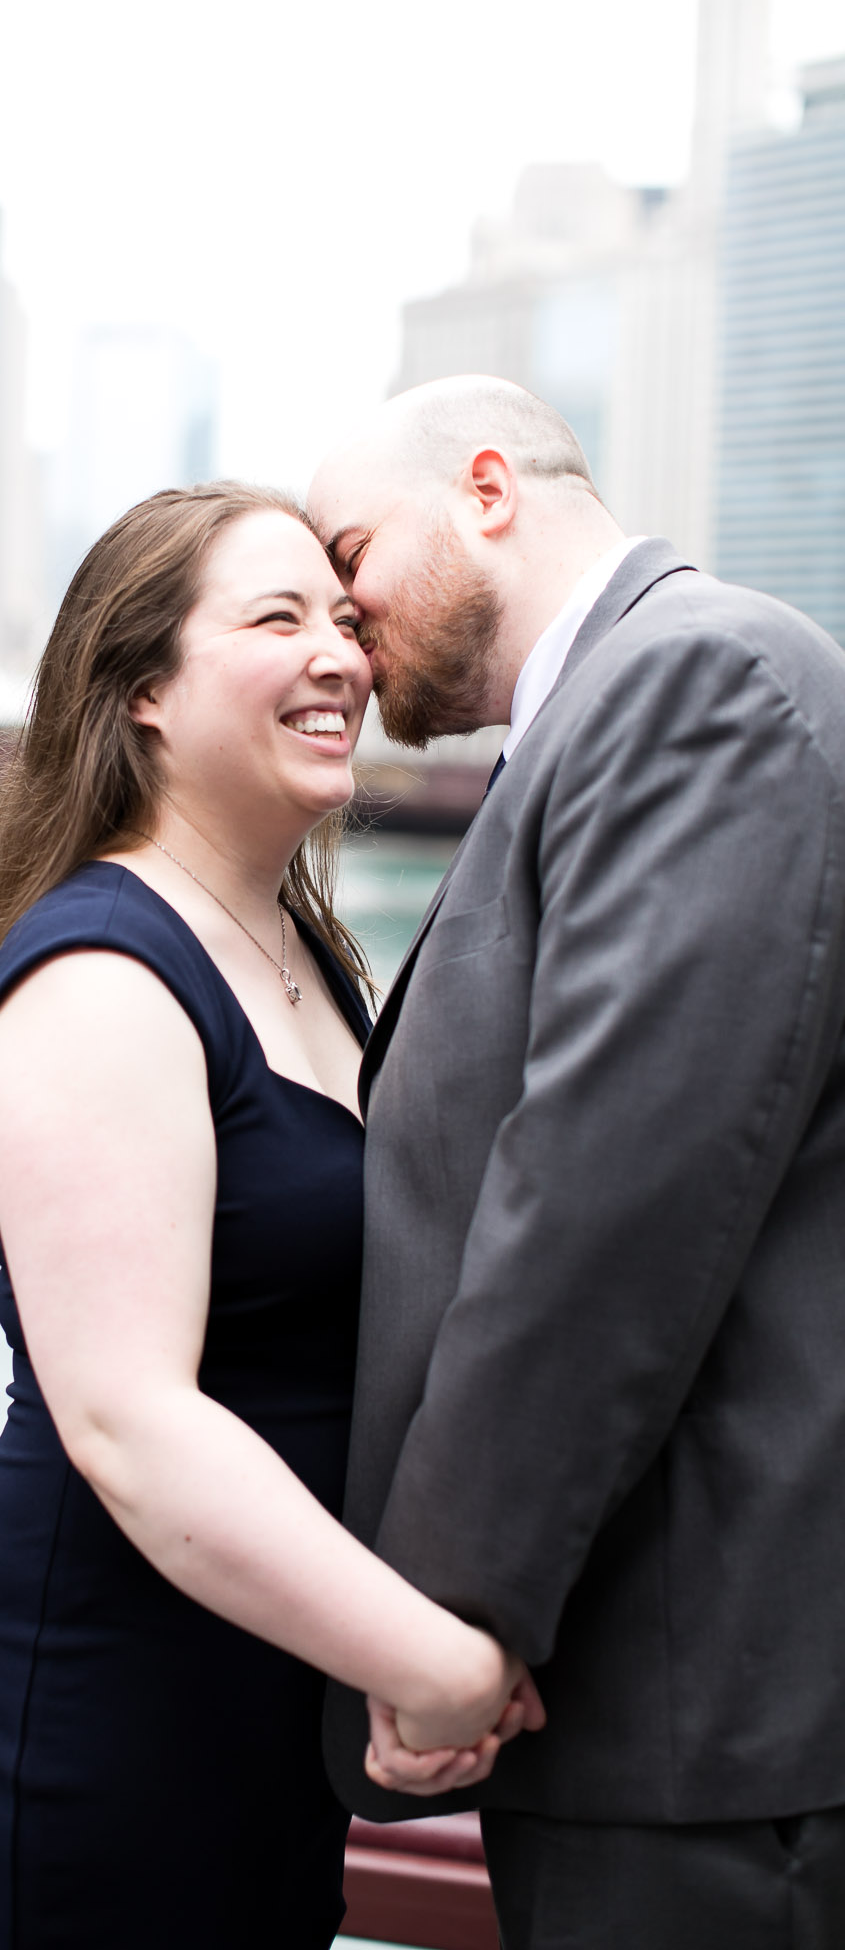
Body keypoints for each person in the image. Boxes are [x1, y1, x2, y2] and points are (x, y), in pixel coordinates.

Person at [0, 481, 538, 1949]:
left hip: (262, 1669)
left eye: (341, 616)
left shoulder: (300, 950)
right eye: (276, 619)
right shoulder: (100, 981)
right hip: (111, 1689)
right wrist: (429, 1657)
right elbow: (132, 1423)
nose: (339, 654)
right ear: (138, 688)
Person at [307, 374, 845, 1948]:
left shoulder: (698, 684)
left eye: (352, 554)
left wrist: (447, 1624)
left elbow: (598, 1221)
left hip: (702, 1698)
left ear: (487, 490)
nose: (341, 623)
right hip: (654, 1685)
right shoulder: (624, 703)